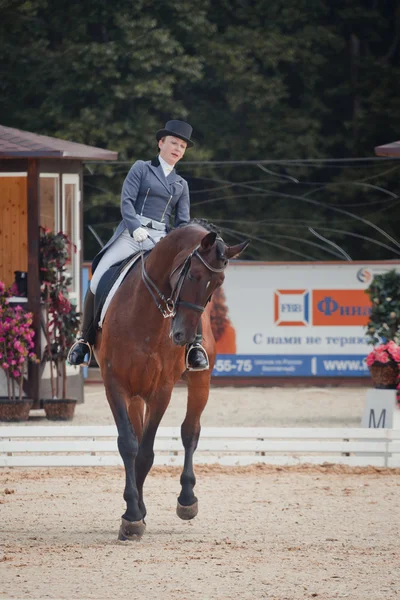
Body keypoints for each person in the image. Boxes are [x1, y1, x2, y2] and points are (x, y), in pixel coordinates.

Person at [68, 119, 209, 370]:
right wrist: (136, 228)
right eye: (174, 143)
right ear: (161, 143)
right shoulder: (141, 169)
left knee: (186, 284)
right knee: (98, 277)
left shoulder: (181, 185)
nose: (178, 149)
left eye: (183, 146)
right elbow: (126, 202)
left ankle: (194, 345)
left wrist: (179, 245)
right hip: (132, 234)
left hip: (162, 240)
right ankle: (84, 341)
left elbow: (183, 222)